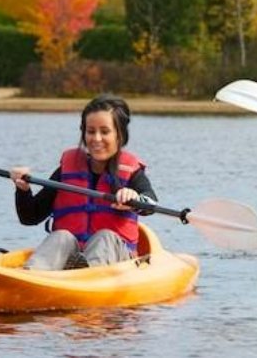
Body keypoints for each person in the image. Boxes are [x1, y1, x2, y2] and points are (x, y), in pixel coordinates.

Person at [9, 94, 157, 270]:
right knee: (61, 236)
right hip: (70, 257)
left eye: (105, 131)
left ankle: (87, 275)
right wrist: (23, 190)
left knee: (105, 237)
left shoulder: (132, 173)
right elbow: (30, 217)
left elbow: (151, 204)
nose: (96, 138)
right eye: (91, 131)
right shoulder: (67, 169)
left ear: (120, 135)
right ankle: (31, 275)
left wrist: (135, 199)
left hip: (116, 261)